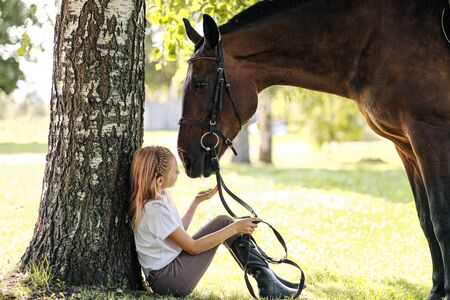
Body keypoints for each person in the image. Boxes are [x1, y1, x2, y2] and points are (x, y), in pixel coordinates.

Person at [130, 146, 298, 298]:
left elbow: (178, 231)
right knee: (226, 224)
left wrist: (196, 202)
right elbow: (193, 247)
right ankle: (268, 282)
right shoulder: (154, 210)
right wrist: (234, 228)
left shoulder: (161, 195)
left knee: (223, 221)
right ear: (160, 180)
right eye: (175, 171)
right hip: (169, 280)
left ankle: (268, 280)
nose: (178, 174)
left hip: (172, 267)